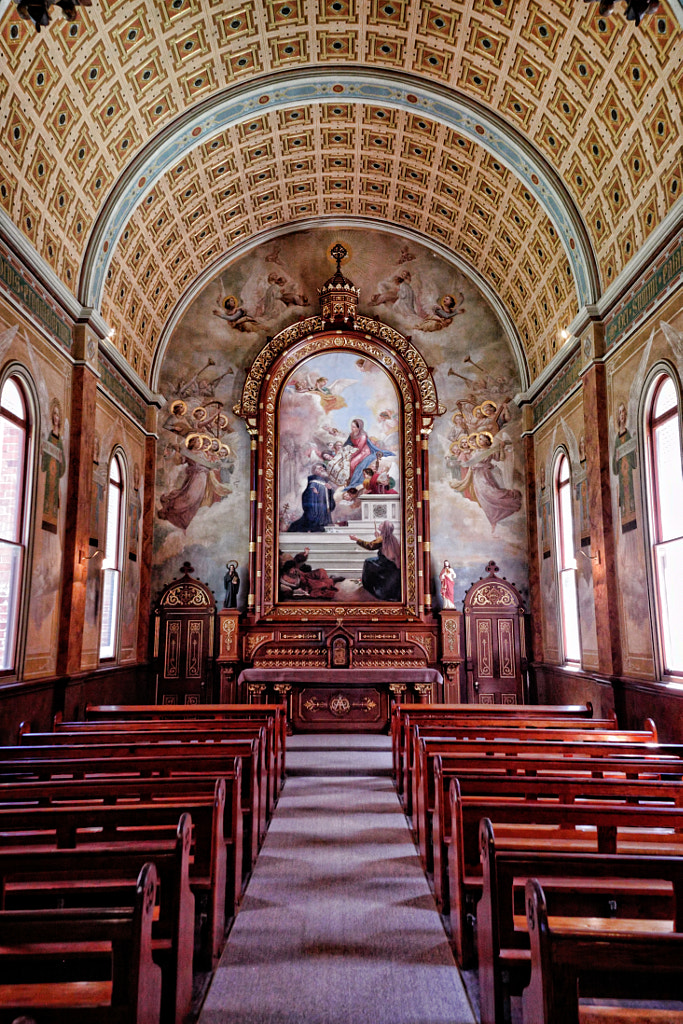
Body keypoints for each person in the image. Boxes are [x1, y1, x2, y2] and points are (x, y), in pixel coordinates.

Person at [349, 521, 401, 601]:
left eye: (382, 524)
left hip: (385, 562)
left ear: (384, 528)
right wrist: (378, 537)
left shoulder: (382, 538)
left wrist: (356, 539)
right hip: (392, 563)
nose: (380, 524)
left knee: (368, 562)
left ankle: (368, 587)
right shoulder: (392, 537)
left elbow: (370, 546)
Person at [342, 418, 394, 490]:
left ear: (359, 427)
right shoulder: (352, 434)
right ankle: (348, 478)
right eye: (351, 426)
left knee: (352, 463)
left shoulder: (363, 435)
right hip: (354, 450)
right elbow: (347, 443)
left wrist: (351, 454)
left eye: (354, 427)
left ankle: (353, 480)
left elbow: (360, 447)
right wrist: (344, 449)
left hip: (364, 451)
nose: (352, 428)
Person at [288, 463, 336, 532]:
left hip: (324, 514)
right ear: (314, 471)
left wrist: (330, 490)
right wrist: (311, 491)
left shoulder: (325, 482)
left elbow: (330, 500)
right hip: (316, 513)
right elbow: (307, 494)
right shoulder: (313, 481)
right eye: (319, 468)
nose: (322, 469)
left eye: (323, 468)